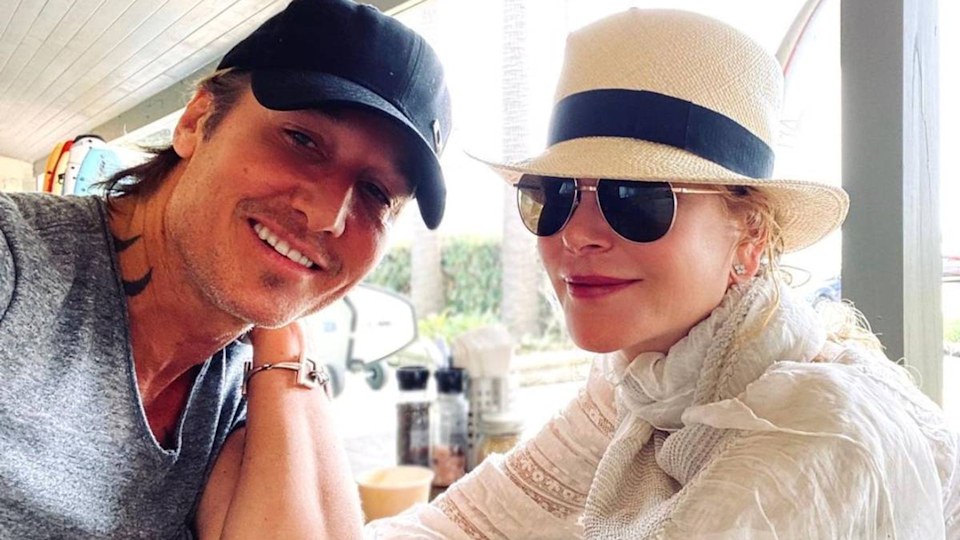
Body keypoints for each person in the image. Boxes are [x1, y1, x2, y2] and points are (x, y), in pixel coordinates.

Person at [366, 8, 960, 539]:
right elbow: (463, 521)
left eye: (637, 196)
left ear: (750, 236)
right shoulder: (646, 381)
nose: (576, 233)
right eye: (553, 194)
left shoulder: (811, 438)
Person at [0, 0, 451, 537]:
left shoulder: (246, 384)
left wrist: (286, 342)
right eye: (302, 140)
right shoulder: (17, 262)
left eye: (376, 192)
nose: (327, 216)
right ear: (196, 122)